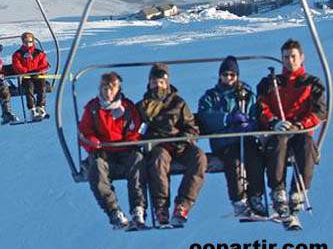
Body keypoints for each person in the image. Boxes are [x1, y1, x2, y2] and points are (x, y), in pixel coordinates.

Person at [256, 39, 326, 228]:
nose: (289, 61)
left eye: (293, 56)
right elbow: (261, 107)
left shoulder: (311, 83)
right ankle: (278, 191)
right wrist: (273, 122)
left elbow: (319, 111)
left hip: (300, 131)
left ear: (301, 58)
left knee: (306, 146)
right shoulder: (271, 83)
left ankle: (298, 191)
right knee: (278, 144)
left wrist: (300, 125)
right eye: (286, 57)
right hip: (279, 130)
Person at [136, 63, 207, 227]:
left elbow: (191, 127)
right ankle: (161, 207)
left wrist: (187, 138)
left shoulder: (178, 103)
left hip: (179, 144)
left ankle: (183, 205)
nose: (157, 85)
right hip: (159, 146)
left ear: (166, 83)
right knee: (159, 161)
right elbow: (137, 130)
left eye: (161, 82)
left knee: (199, 157)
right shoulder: (143, 106)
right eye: (154, 82)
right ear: (149, 83)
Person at [197, 56, 267, 218]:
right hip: (225, 142)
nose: (228, 78)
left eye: (232, 75)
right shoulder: (211, 96)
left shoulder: (246, 95)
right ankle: (238, 200)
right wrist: (227, 119)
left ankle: (255, 196)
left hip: (245, 139)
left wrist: (251, 125)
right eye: (225, 75)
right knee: (233, 162)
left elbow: (256, 114)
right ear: (220, 75)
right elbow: (205, 117)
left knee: (255, 158)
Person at [78, 71, 147, 230]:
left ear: (118, 89)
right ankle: (114, 211)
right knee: (96, 169)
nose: (107, 92)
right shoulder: (94, 108)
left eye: (111, 88)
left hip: (125, 151)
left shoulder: (127, 107)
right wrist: (95, 146)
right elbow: (85, 132)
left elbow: (135, 129)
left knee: (137, 161)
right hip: (103, 153)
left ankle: (138, 209)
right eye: (104, 88)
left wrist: (131, 143)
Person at [12, 31, 50, 121]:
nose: (28, 44)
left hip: (37, 75)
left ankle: (41, 107)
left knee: (42, 85)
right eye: (26, 42)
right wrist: (26, 72)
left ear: (33, 42)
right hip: (27, 76)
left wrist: (38, 71)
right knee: (29, 87)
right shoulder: (18, 54)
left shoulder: (39, 53)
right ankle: (32, 109)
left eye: (30, 42)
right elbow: (17, 66)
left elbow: (44, 64)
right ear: (23, 42)